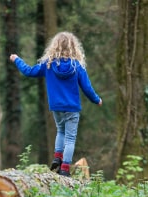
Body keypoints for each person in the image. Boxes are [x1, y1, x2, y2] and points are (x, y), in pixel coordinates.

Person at [10, 31, 102, 177]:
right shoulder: (77, 66)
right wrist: (97, 99)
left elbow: (29, 72)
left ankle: (57, 158)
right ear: (74, 48)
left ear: (54, 47)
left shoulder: (48, 65)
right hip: (72, 108)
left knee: (60, 131)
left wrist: (17, 59)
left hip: (56, 106)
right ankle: (65, 168)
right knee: (70, 138)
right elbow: (87, 88)